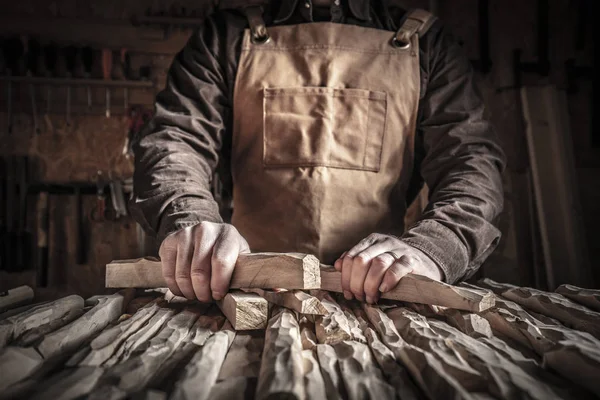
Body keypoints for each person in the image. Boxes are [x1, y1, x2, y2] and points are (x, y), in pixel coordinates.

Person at [131, 0, 505, 305]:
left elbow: (470, 164)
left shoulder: (426, 42)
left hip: (384, 293)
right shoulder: (227, 36)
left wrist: (433, 249)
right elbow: (175, 139)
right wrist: (190, 219)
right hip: (244, 290)